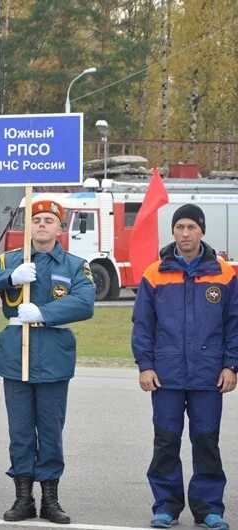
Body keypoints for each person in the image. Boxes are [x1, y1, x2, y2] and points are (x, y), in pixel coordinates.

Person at [0, 199, 95, 524]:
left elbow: (84, 302)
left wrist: (44, 312)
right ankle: (23, 498)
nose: (41, 225)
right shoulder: (12, 259)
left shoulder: (75, 265)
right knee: (21, 431)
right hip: (16, 357)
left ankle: (50, 499)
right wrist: (10, 277)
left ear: (60, 228)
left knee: (50, 431)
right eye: (36, 220)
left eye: (49, 220)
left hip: (53, 354)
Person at [132, 204, 237, 530]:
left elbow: (234, 323)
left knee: (206, 441)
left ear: (202, 231)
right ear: (173, 231)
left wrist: (232, 365)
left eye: (192, 226)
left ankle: (208, 509)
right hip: (166, 376)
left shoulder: (225, 274)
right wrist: (145, 366)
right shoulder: (154, 274)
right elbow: (142, 325)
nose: (186, 233)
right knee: (166, 441)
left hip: (208, 376)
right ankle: (166, 505)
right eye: (180, 227)